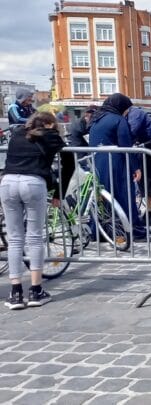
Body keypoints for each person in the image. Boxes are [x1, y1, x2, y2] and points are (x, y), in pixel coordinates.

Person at [1, 112, 73, 309]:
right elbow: (70, 163)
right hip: (33, 182)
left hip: (7, 182)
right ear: (49, 124)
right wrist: (59, 192)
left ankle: (15, 292)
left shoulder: (17, 133)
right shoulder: (50, 136)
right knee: (34, 237)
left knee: (15, 239)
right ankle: (35, 290)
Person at [88, 93, 151, 241]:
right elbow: (126, 146)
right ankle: (132, 230)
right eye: (126, 109)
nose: (127, 112)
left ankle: (101, 231)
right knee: (123, 195)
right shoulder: (118, 120)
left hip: (97, 163)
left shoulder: (96, 120)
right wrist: (135, 168)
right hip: (116, 163)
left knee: (102, 197)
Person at [126, 106, 151, 225]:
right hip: (145, 148)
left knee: (149, 181)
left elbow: (132, 130)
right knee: (144, 182)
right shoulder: (132, 113)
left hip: (150, 148)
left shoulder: (135, 113)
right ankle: (150, 211)